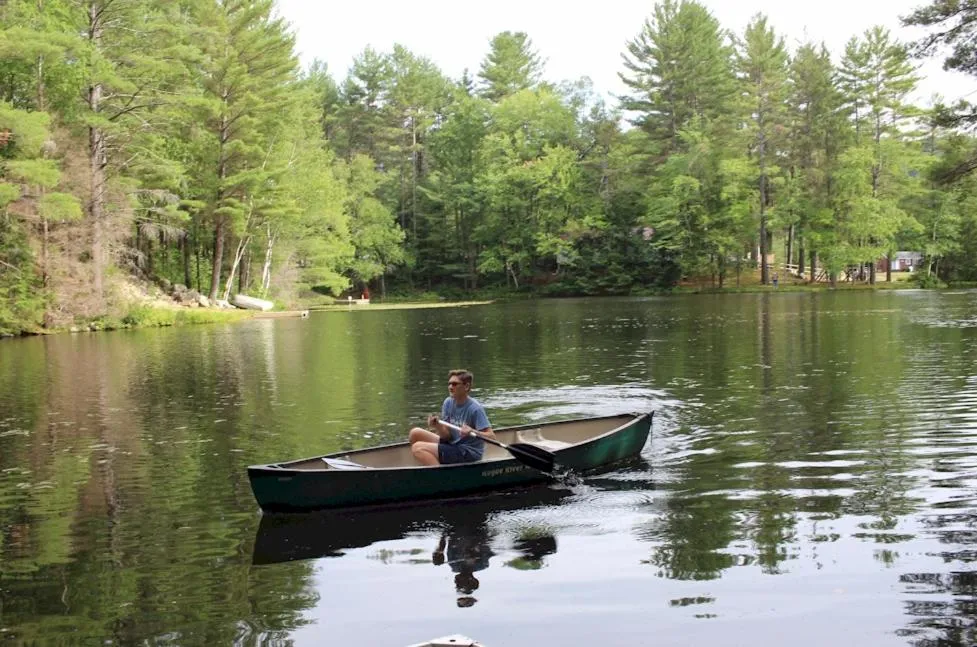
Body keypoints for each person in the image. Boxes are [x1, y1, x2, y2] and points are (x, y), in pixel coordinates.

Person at [408, 369, 494, 465]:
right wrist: (437, 426)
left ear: (466, 386)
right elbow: (447, 436)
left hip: (467, 452)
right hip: (452, 444)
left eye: (454, 384)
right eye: (449, 384)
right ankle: (430, 464)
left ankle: (439, 473)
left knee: (418, 448)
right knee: (415, 433)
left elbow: (492, 437)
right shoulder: (448, 403)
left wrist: (473, 431)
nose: (450, 387)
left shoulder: (475, 409)